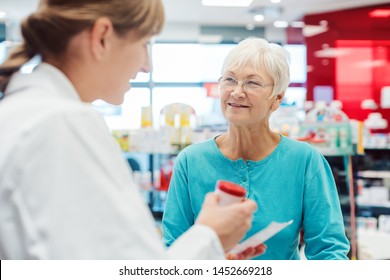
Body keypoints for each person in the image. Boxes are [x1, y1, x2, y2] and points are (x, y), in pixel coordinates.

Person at [0, 0, 260, 260]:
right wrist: (211, 236)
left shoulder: (24, 112)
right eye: (144, 43)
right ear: (102, 38)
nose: (147, 65)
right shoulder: (62, 122)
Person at [162, 37, 351, 260]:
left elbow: (329, 250)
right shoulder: (191, 161)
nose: (237, 92)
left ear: (277, 98)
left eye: (252, 83)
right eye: (230, 80)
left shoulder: (305, 160)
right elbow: (173, 248)